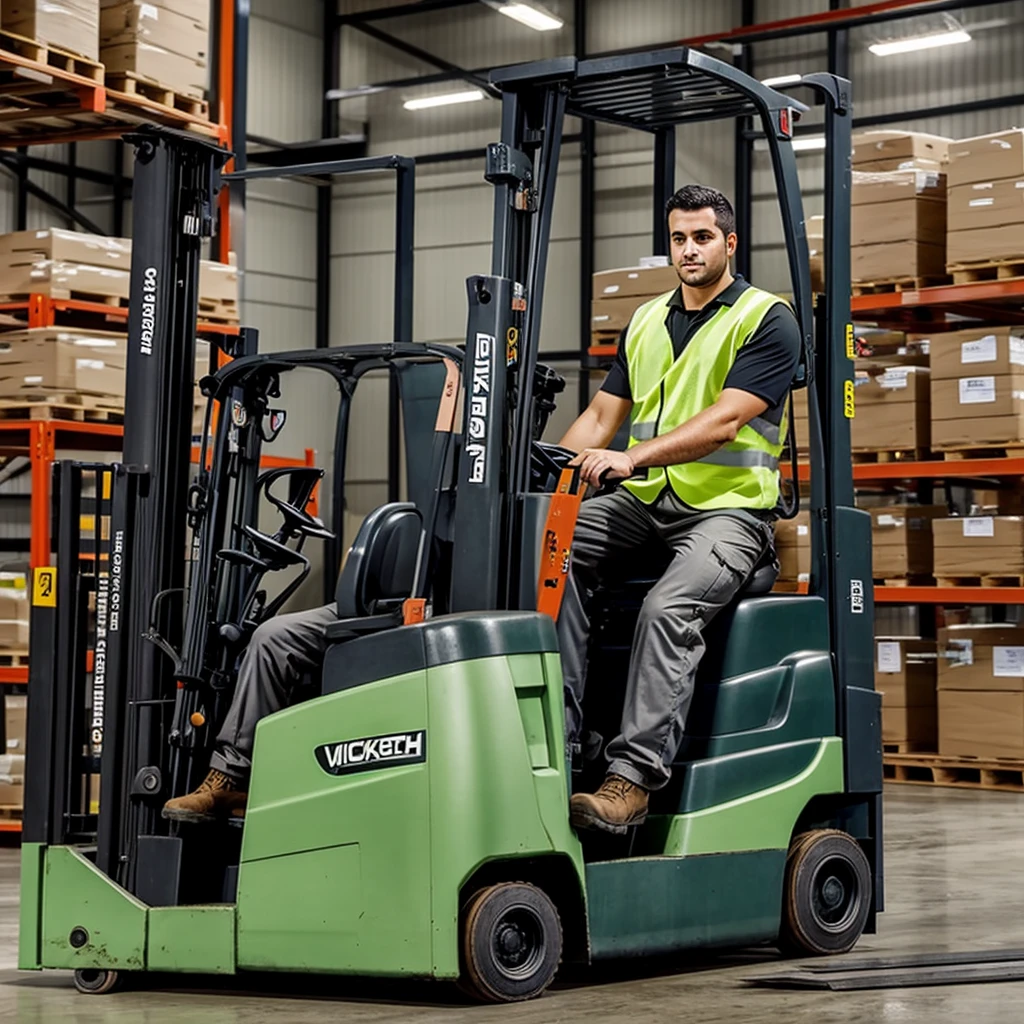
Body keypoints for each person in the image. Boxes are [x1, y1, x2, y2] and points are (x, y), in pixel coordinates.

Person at [557, 183, 801, 835]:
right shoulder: (644, 320)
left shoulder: (765, 317)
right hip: (643, 503)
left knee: (669, 608)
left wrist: (632, 459)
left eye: (701, 237)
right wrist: (544, 485)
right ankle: (557, 739)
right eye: (677, 238)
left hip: (728, 514)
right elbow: (602, 416)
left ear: (728, 243)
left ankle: (631, 781)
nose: (688, 249)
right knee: (545, 548)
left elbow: (725, 422)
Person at [163, 605, 337, 822]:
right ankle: (256, 779)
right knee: (265, 638)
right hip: (368, 600)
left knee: (273, 639)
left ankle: (231, 775)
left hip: (386, 608)